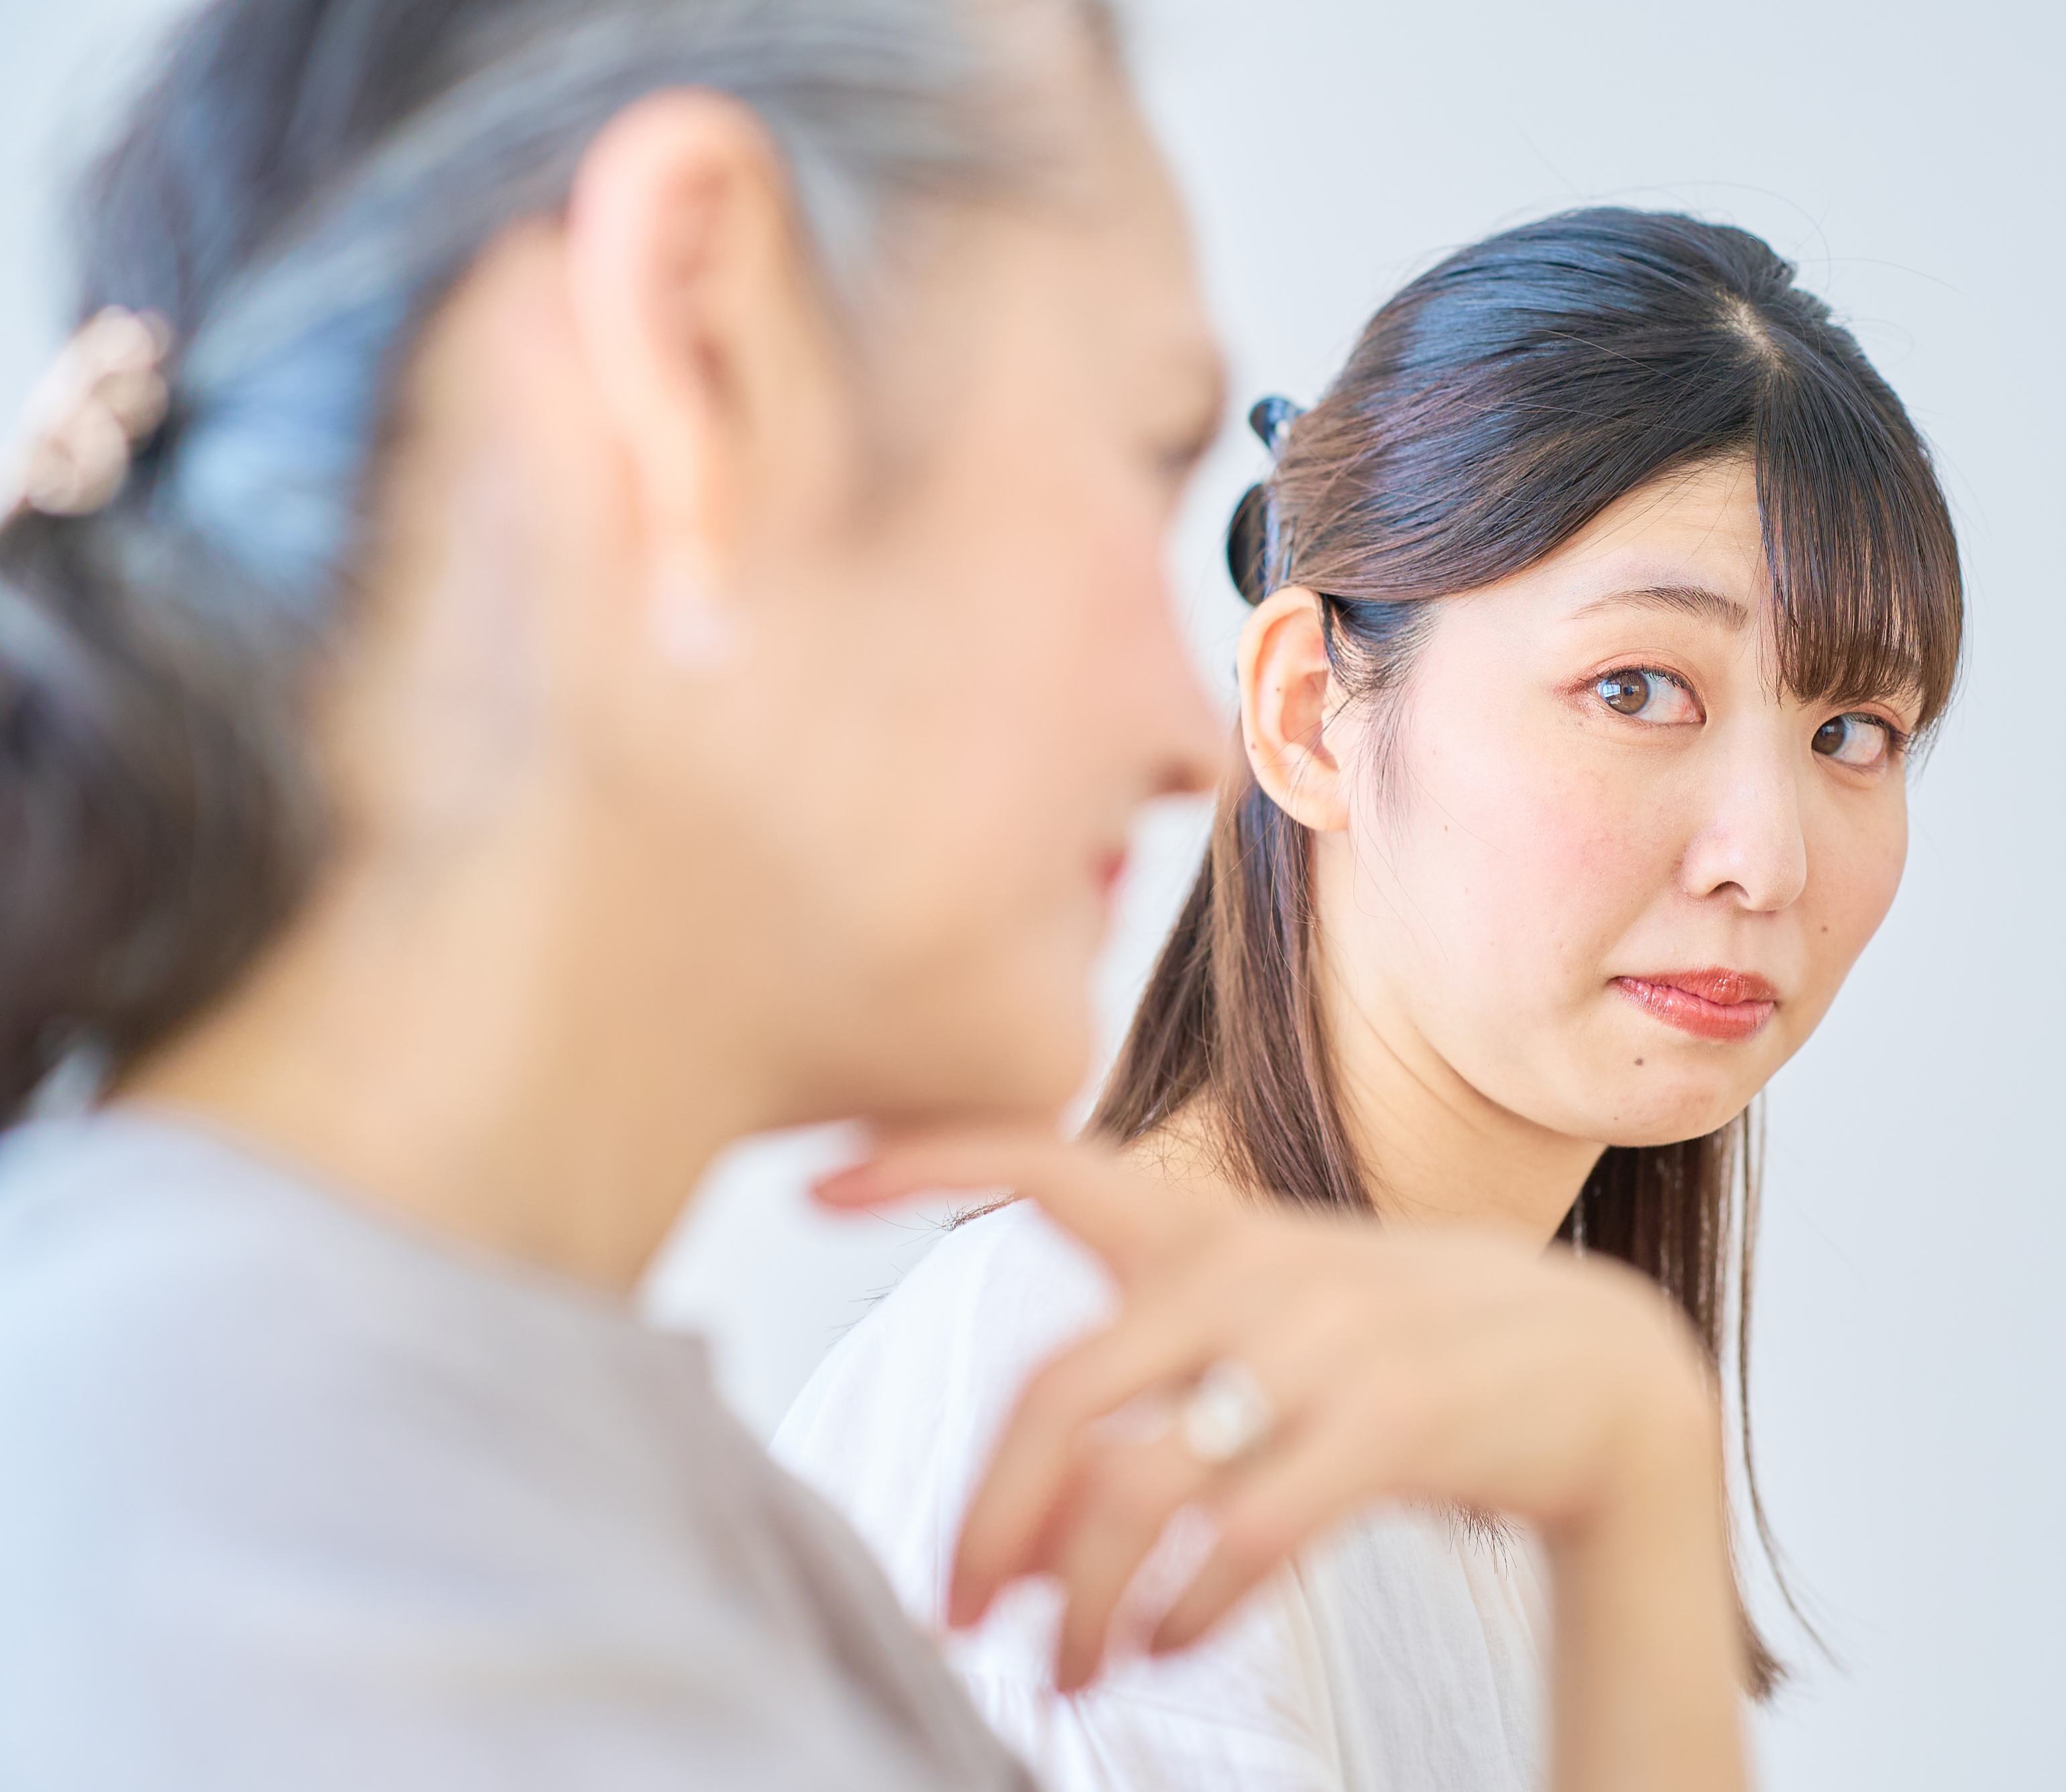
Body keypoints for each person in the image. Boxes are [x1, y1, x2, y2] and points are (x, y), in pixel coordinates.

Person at [0, 2, 1751, 1789]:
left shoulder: (563, 1515)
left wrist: (1633, 1480)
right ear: (703, 336)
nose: (1186, 731)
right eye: (1137, 450)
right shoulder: (262, 1526)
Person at [775, 205, 1965, 1791]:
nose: (1764, 853)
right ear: (1308, 718)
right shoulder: (1106, 1419)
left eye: (1854, 732)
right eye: (1635, 690)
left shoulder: (1541, 1459)